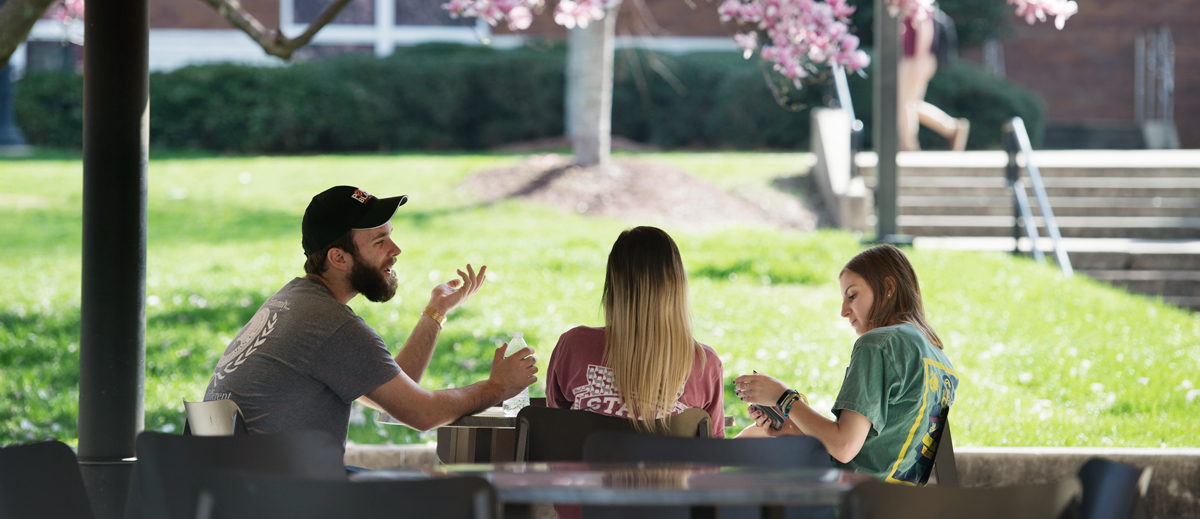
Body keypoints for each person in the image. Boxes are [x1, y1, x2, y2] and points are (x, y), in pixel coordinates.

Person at [204, 184, 537, 444]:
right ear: (338, 258)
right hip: (282, 500)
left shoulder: (290, 304)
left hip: (238, 492)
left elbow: (393, 390)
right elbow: (422, 413)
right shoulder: (329, 326)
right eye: (380, 242)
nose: (396, 251)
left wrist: (437, 311)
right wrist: (496, 387)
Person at [733, 244, 958, 485]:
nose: (843, 311)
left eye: (852, 295)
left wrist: (784, 398)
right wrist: (790, 425)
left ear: (889, 288)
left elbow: (844, 446)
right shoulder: (939, 359)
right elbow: (880, 449)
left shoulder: (878, 344)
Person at [545, 226, 725, 438]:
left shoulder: (573, 346)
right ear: (677, 286)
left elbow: (555, 432)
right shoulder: (705, 364)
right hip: (669, 471)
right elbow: (711, 456)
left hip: (587, 471)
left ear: (612, 286)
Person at [899, 12, 970, 151]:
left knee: (905, 104)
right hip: (913, 59)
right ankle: (952, 127)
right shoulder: (909, 4)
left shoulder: (917, 3)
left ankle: (909, 146)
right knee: (910, 104)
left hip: (916, 60)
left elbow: (925, 31)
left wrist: (920, 60)